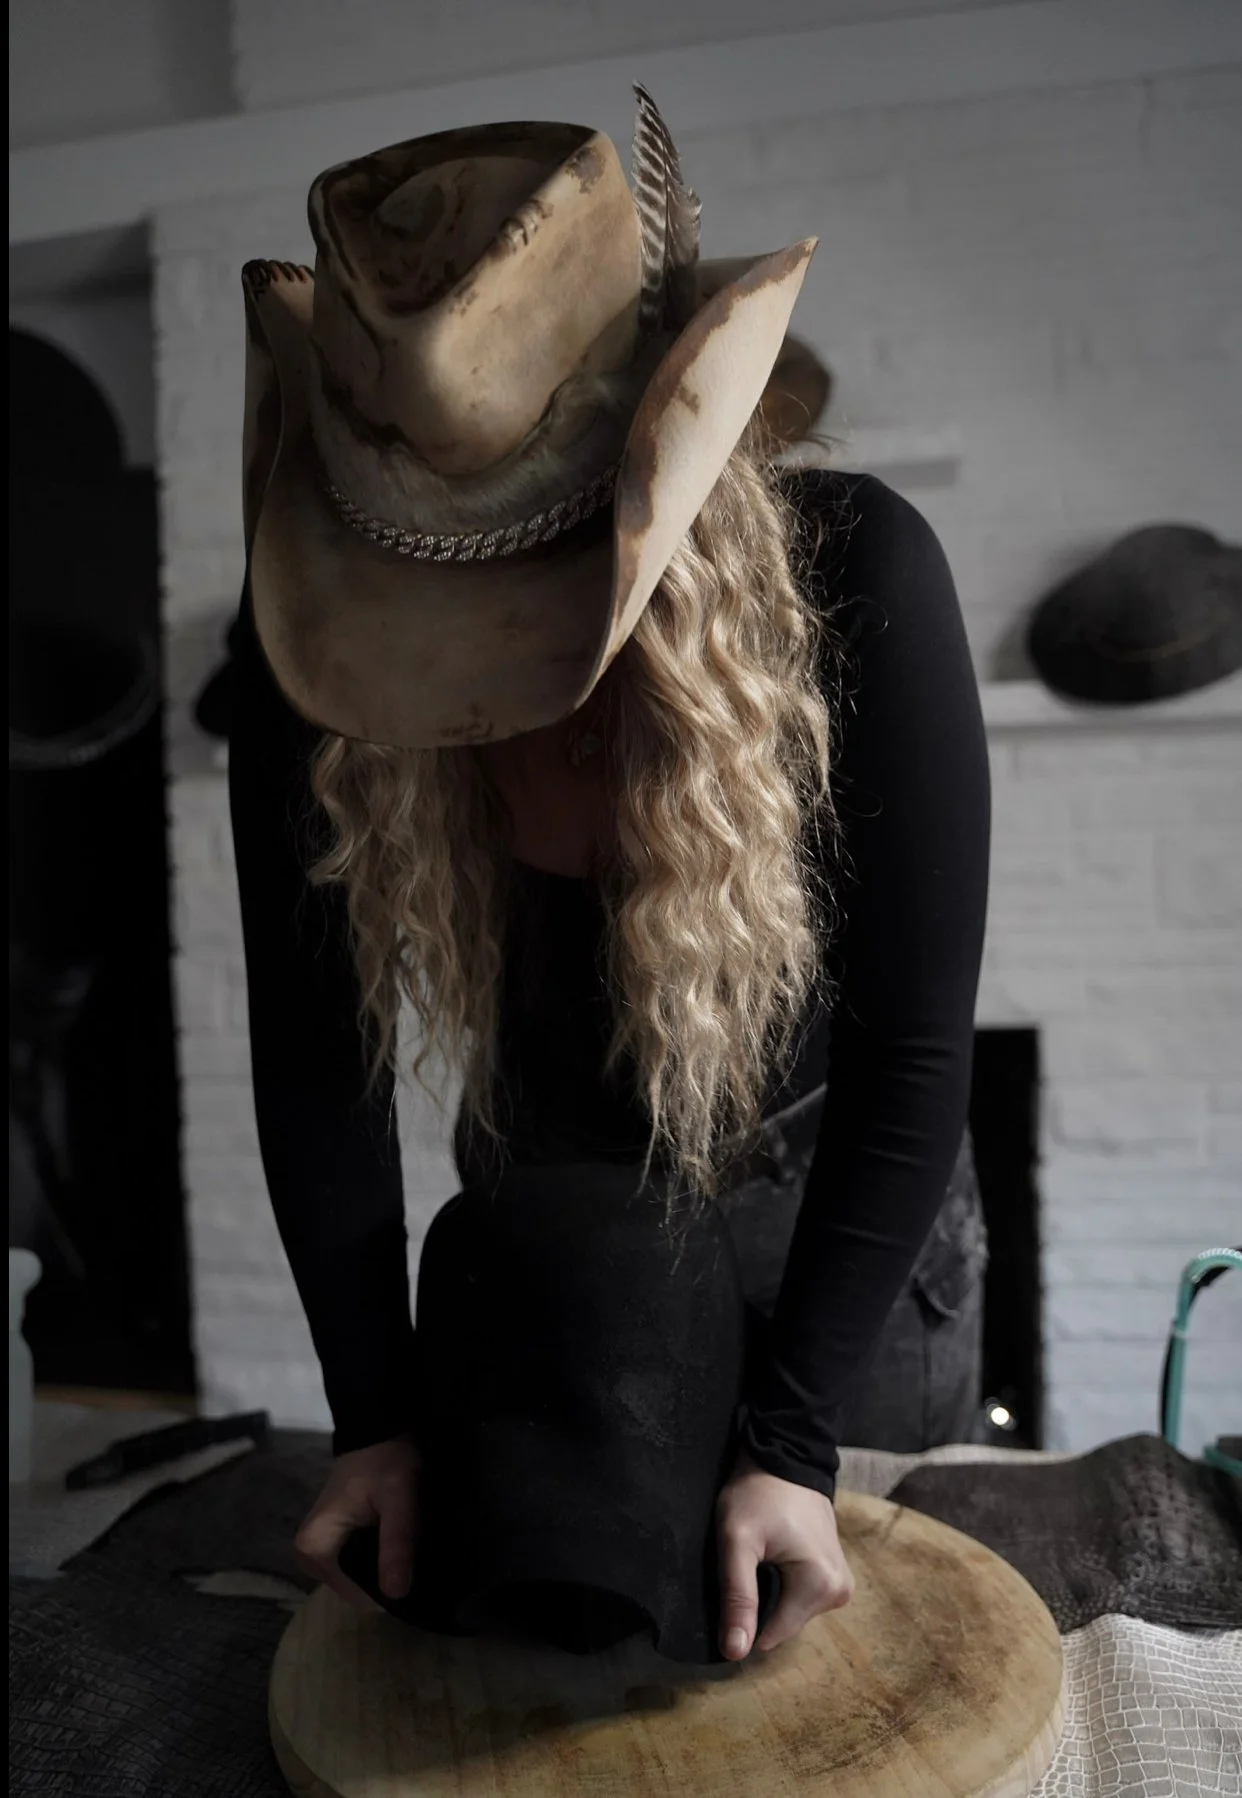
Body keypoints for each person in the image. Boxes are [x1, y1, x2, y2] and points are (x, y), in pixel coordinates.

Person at [228, 90, 991, 1667]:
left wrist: (789, 1443)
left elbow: (915, 1053)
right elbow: (317, 1068)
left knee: (837, 1708)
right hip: (549, 1269)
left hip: (833, 1243)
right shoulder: (309, 653)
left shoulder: (866, 584)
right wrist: (371, 1415)